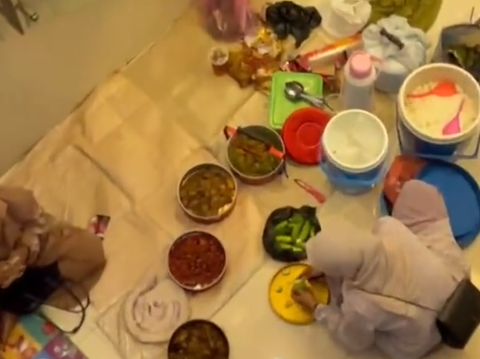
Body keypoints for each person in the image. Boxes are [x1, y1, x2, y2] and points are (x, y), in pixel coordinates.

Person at [291, 180, 470, 359]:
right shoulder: (388, 227)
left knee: (349, 309)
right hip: (456, 286)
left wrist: (316, 307)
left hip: (421, 337)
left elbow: (354, 341)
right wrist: (327, 264)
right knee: (416, 195)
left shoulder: (361, 305)